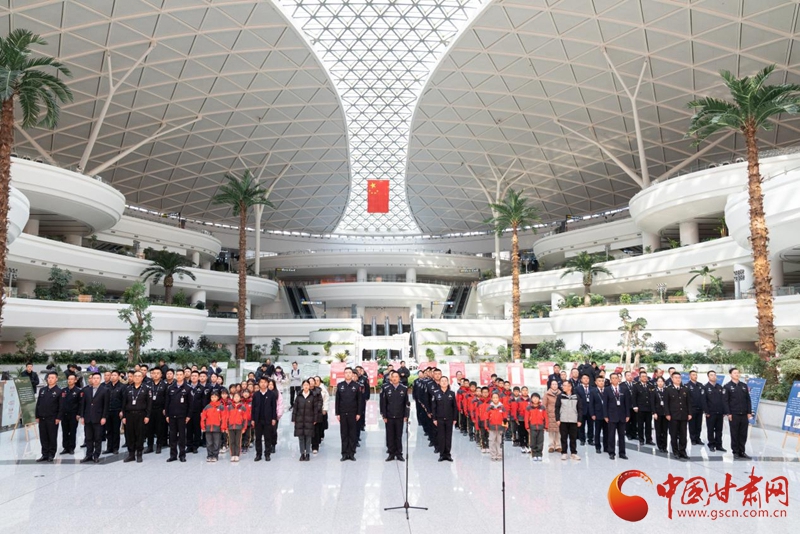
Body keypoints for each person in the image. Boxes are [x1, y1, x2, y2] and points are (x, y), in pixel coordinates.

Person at [122, 371, 151, 463]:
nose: (137, 378)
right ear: (133, 378)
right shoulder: (128, 389)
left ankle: (139, 453)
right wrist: (124, 416)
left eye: (139, 376)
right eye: (135, 376)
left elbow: (149, 404)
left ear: (142, 378)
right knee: (130, 435)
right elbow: (124, 404)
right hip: (129, 415)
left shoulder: (147, 389)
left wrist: (147, 416)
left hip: (141, 415)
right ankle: (131, 454)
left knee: (140, 434)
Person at [723, 368, 753, 459]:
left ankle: (742, 451)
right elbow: (725, 401)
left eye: (738, 373)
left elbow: (748, 400)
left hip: (744, 414)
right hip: (734, 414)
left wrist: (749, 412)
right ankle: (735, 452)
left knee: (743, 433)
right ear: (730, 375)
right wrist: (728, 413)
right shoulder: (727, 386)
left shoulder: (743, 386)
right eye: (735, 373)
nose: (737, 374)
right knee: (734, 433)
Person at [79, 372, 108, 463]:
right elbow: (83, 404)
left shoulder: (105, 390)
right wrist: (82, 416)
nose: (95, 380)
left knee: (98, 438)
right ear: (91, 379)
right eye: (94, 378)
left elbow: (106, 405)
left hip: (98, 417)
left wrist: (104, 417)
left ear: (100, 379)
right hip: (88, 417)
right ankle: (88, 455)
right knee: (88, 438)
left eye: (97, 378)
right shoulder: (86, 390)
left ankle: (96, 455)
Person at [380, 371, 409, 461]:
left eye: (397, 377)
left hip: (400, 416)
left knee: (399, 435)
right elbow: (383, 403)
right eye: (393, 377)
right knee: (390, 435)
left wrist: (406, 415)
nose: (395, 378)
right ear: (391, 378)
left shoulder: (404, 388)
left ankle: (399, 453)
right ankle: (391, 453)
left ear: (399, 378)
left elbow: (406, 403)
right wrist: (384, 415)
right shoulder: (386, 388)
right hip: (389, 416)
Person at [335, 368, 362, 461]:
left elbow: (359, 401)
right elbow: (337, 400)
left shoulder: (357, 386)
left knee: (352, 434)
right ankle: (344, 453)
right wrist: (337, 413)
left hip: (353, 413)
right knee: (344, 433)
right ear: (344, 374)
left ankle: (351, 453)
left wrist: (358, 413)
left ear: (352, 374)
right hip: (342, 413)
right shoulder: (340, 385)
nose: (348, 374)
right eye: (346, 373)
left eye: (350, 373)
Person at [664, 371, 692, 460]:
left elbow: (688, 402)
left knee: (683, 435)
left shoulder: (685, 389)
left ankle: (682, 451)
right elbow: (666, 403)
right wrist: (667, 414)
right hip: (673, 415)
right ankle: (675, 452)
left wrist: (689, 413)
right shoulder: (668, 389)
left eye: (679, 378)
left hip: (683, 415)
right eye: (676, 378)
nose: (678, 379)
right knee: (674, 434)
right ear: (672, 379)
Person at [165, 369, 191, 462]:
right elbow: (167, 402)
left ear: (184, 376)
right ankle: (173, 455)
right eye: (178, 375)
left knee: (182, 436)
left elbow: (190, 404)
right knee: (172, 436)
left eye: (181, 374)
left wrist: (188, 416)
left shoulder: (188, 388)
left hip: (182, 416)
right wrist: (167, 415)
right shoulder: (170, 387)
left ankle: (182, 455)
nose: (179, 376)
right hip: (172, 415)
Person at [35, 372, 62, 462]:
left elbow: (61, 406)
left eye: (52, 378)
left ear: (56, 379)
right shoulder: (42, 390)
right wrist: (37, 415)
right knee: (43, 437)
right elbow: (38, 404)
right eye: (49, 378)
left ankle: (51, 454)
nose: (50, 379)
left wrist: (58, 417)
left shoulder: (59, 391)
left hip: (52, 418)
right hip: (42, 417)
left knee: (52, 437)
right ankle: (44, 454)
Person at [602, 373, 630, 460]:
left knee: (622, 435)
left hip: (622, 416)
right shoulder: (607, 390)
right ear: (610, 380)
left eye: (616, 378)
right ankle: (611, 452)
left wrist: (627, 415)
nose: (614, 379)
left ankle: (622, 453)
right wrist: (605, 415)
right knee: (611, 435)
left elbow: (627, 403)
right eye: (613, 378)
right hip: (611, 416)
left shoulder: (624, 389)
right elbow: (605, 404)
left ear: (618, 379)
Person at [292, 379, 321, 461]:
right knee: (301, 438)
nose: (306, 386)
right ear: (302, 386)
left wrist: (315, 419)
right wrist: (294, 418)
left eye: (307, 385)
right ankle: (302, 454)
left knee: (308, 438)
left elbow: (315, 409)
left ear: (309, 386)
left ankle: (307, 454)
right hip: (299, 419)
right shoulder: (298, 396)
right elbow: (295, 408)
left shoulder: (313, 396)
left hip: (309, 419)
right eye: (304, 385)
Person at [251, 377, 278, 462]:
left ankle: (267, 454)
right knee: (258, 438)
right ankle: (258, 454)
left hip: (268, 419)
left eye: (265, 382)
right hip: (258, 419)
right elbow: (253, 408)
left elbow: (274, 407)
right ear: (259, 383)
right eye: (261, 382)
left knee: (267, 437)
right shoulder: (256, 394)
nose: (263, 384)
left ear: (267, 383)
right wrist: (253, 419)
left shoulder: (271, 394)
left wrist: (274, 418)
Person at [431, 376, 457, 462]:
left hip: (449, 418)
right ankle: (442, 454)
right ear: (439, 383)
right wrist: (434, 419)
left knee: (448, 437)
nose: (444, 382)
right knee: (441, 437)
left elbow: (454, 407)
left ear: (448, 382)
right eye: (442, 381)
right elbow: (434, 407)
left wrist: (455, 418)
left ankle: (448, 454)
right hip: (439, 419)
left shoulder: (452, 393)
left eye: (445, 381)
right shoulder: (436, 393)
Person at [555, 381, 583, 461]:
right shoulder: (560, 396)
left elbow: (580, 409)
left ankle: (573, 453)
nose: (563, 387)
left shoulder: (576, 396)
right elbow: (557, 408)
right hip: (563, 420)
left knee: (573, 438)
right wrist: (557, 419)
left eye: (565, 385)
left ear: (570, 387)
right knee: (563, 437)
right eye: (563, 385)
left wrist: (579, 420)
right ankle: (564, 453)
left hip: (573, 420)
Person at [145, 368, 167, 454]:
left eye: (158, 373)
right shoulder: (147, 385)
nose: (156, 375)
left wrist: (165, 408)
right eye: (154, 373)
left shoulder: (164, 385)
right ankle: (149, 446)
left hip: (160, 410)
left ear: (161, 375)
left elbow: (167, 398)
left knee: (159, 428)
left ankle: (159, 445)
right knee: (149, 428)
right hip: (149, 409)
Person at [703, 370, 726, 453]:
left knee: (719, 430)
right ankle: (711, 444)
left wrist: (724, 411)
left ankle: (719, 445)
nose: (714, 377)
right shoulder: (705, 387)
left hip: (720, 412)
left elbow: (723, 400)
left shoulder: (720, 387)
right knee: (710, 429)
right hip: (710, 413)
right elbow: (704, 401)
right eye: (711, 375)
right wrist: (706, 412)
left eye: (715, 375)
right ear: (708, 377)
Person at [58, 374, 81, 455]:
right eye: (68, 379)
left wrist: (78, 414)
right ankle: (65, 447)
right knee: (65, 431)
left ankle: (71, 448)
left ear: (75, 380)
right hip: (64, 414)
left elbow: (80, 403)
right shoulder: (64, 390)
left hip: (73, 415)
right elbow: (61, 403)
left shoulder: (78, 391)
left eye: (71, 379)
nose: (70, 381)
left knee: (72, 431)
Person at [200, 390, 226, 462]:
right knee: (209, 443)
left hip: (217, 428)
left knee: (216, 443)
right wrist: (203, 426)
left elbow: (224, 418)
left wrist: (223, 427)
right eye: (212, 397)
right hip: (208, 428)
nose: (213, 398)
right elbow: (203, 418)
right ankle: (209, 455)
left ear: (218, 397)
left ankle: (215, 455)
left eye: (215, 397)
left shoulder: (221, 407)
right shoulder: (207, 407)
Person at [104, 370, 125, 455]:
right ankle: (109, 448)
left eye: (115, 375)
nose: (112, 377)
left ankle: (115, 448)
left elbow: (124, 400)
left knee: (116, 430)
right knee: (109, 430)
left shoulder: (122, 387)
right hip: (108, 411)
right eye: (112, 375)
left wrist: (122, 410)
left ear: (119, 376)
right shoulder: (106, 387)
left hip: (117, 411)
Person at [632, 370, 655, 445]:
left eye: (646, 376)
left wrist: (653, 409)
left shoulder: (650, 385)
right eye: (643, 376)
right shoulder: (636, 385)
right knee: (640, 425)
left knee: (648, 425)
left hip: (648, 408)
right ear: (640, 377)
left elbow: (652, 397)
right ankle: (641, 439)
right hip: (640, 408)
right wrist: (635, 406)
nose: (645, 378)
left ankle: (649, 439)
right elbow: (634, 397)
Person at [227, 391, 250, 462]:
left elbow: (245, 419)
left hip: (239, 427)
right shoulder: (229, 407)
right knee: (231, 441)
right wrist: (226, 427)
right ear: (233, 398)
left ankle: (237, 455)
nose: (236, 398)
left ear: (240, 398)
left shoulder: (242, 407)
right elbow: (226, 418)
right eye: (235, 397)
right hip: (230, 427)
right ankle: (232, 455)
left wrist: (244, 427)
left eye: (238, 397)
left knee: (238, 441)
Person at [525, 393, 547, 461]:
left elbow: (546, 417)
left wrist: (546, 426)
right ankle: (534, 454)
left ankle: (539, 454)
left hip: (541, 427)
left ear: (539, 399)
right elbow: (526, 418)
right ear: (531, 399)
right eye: (533, 398)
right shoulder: (528, 408)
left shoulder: (542, 407)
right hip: (532, 427)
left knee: (540, 441)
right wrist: (527, 427)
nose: (535, 399)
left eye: (536, 398)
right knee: (533, 441)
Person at [485, 392, 507, 461]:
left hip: (500, 428)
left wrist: (505, 427)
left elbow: (505, 418)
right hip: (492, 427)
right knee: (492, 441)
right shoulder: (489, 408)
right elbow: (486, 418)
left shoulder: (502, 407)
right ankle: (493, 455)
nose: (495, 399)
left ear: (499, 398)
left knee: (499, 441)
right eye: (493, 398)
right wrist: (486, 427)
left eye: (496, 397)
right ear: (491, 399)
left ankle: (499, 455)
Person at [589, 375, 608, 455]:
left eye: (602, 381)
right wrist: (592, 414)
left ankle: (606, 447)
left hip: (606, 415)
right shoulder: (593, 391)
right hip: (597, 414)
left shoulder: (607, 390)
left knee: (606, 432)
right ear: (596, 382)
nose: (601, 382)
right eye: (599, 381)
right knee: (597, 432)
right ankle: (598, 447)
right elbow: (591, 404)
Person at [686, 370, 705, 445]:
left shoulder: (700, 385)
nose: (695, 376)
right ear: (690, 376)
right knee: (692, 425)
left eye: (696, 375)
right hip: (692, 409)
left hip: (700, 408)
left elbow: (703, 397)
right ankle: (693, 439)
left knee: (698, 425)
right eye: (693, 375)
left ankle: (698, 438)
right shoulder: (687, 385)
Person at [187, 370, 204, 453]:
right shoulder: (187, 387)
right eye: (192, 376)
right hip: (188, 412)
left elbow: (203, 401)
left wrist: (202, 411)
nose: (193, 377)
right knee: (188, 429)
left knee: (197, 429)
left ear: (198, 377)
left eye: (195, 376)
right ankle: (189, 446)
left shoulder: (202, 388)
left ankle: (195, 446)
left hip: (197, 412)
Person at [651, 377, 669, 453]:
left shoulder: (666, 391)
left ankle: (665, 446)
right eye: (659, 381)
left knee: (665, 430)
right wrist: (654, 412)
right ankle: (660, 446)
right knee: (658, 430)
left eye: (662, 381)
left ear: (664, 382)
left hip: (665, 413)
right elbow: (652, 403)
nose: (660, 383)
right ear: (657, 382)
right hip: (657, 413)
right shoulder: (654, 391)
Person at [542, 380, 560, 453]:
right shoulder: (547, 394)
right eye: (553, 384)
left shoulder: (561, 393)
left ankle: (558, 446)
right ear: (550, 385)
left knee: (558, 431)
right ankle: (551, 446)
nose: (554, 385)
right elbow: (544, 405)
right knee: (551, 431)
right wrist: (545, 414)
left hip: (559, 414)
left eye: (556, 384)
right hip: (550, 415)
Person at [576, 373, 594, 446]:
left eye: (587, 378)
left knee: (591, 426)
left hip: (591, 410)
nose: (586, 380)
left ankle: (590, 440)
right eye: (584, 378)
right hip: (582, 410)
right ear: (581, 380)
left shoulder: (593, 388)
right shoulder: (577, 388)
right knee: (581, 426)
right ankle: (582, 439)